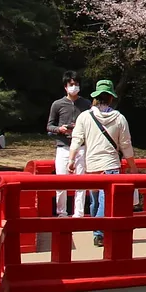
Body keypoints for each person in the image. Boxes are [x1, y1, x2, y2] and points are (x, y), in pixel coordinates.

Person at [69, 80, 135, 245]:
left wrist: (71, 159)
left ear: (95, 97)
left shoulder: (84, 116)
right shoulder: (119, 118)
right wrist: (133, 166)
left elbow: (77, 139)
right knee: (105, 202)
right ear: (111, 98)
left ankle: (97, 231)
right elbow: (125, 145)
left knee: (96, 201)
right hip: (111, 164)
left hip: (92, 165)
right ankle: (99, 232)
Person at [46, 76, 84, 216]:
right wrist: (59, 129)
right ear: (65, 87)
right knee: (61, 180)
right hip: (63, 145)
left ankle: (78, 213)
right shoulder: (57, 104)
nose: (74, 87)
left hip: (81, 146)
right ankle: (61, 212)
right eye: (71, 84)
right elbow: (49, 126)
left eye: (76, 84)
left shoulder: (86, 104)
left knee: (82, 181)